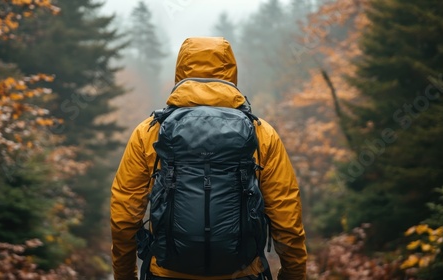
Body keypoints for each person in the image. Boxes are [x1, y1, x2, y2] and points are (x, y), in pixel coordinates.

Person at [110, 37, 307, 280]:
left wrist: (124, 274)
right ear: (231, 71)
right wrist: (294, 274)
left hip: (167, 273)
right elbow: (286, 217)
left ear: (180, 71)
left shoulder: (149, 131)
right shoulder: (260, 133)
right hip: (243, 273)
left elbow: (124, 216)